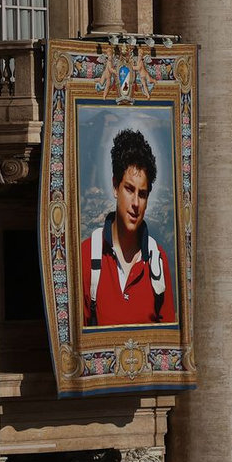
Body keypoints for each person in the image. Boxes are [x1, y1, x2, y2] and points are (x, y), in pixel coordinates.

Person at [81, 128, 176, 326]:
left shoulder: (157, 261)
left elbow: (168, 346)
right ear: (115, 187)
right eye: (129, 189)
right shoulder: (87, 256)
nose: (135, 203)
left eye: (142, 194)